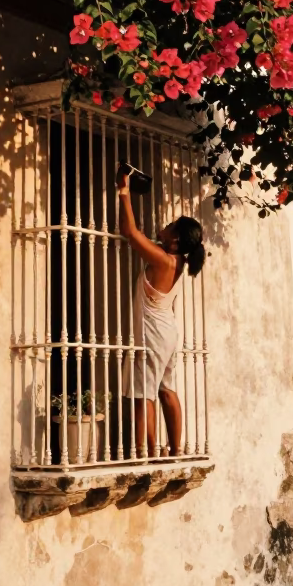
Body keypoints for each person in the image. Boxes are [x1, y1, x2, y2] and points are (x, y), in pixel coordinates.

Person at [116, 165, 206, 459]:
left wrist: (124, 190)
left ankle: (148, 453)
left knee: (143, 394)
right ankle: (175, 449)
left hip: (153, 335)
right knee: (167, 389)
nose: (165, 225)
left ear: (175, 240)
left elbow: (130, 232)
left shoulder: (164, 260)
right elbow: (143, 237)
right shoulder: (176, 260)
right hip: (169, 333)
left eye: (171, 225)